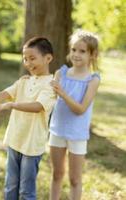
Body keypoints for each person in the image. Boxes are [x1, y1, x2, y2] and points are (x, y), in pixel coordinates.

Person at [0, 37, 56, 200]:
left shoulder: (51, 85)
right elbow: (5, 93)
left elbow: (38, 106)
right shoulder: (23, 81)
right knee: (10, 186)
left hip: (32, 145)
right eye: (25, 58)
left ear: (48, 58)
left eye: (32, 58)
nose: (28, 63)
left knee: (26, 191)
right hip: (15, 140)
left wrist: (11, 105)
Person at [49, 30, 100, 200]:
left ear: (92, 55)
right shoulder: (60, 73)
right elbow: (50, 100)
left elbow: (80, 109)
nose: (76, 54)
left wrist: (62, 93)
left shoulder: (93, 80)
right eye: (74, 50)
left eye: (82, 51)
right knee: (56, 175)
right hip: (57, 130)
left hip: (77, 134)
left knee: (75, 179)